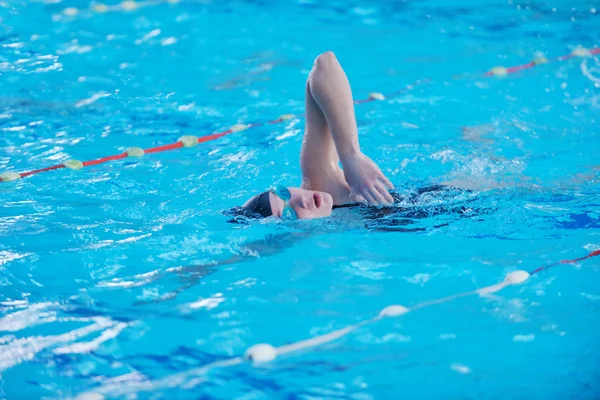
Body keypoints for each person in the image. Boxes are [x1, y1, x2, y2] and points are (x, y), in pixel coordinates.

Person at [238, 51, 396, 221]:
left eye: (284, 193)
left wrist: (351, 156)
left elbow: (325, 64)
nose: (301, 200)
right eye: (288, 214)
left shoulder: (323, 186)